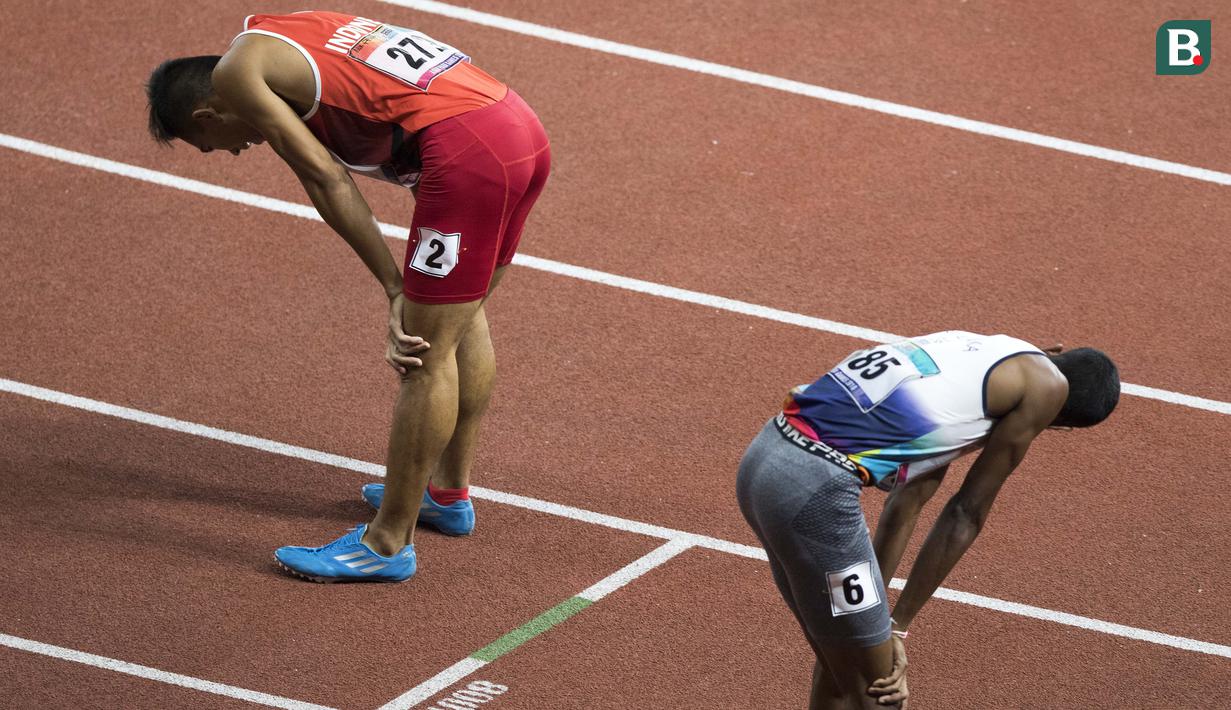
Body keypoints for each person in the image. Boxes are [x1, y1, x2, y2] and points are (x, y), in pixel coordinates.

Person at [145, 11, 550, 582]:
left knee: (422, 354)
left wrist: (394, 286)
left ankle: (386, 545)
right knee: (461, 319)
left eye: (210, 147)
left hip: (466, 153)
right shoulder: (280, 30)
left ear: (205, 117)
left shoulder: (238, 75)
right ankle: (446, 493)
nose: (234, 153)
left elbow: (326, 177)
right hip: (515, 124)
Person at [736, 331, 1119, 708]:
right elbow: (965, 514)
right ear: (1061, 417)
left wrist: (883, 624)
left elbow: (906, 503)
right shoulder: (1047, 387)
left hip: (765, 458)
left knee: (841, 671)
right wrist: (895, 627)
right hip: (813, 489)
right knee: (882, 692)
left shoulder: (976, 363)